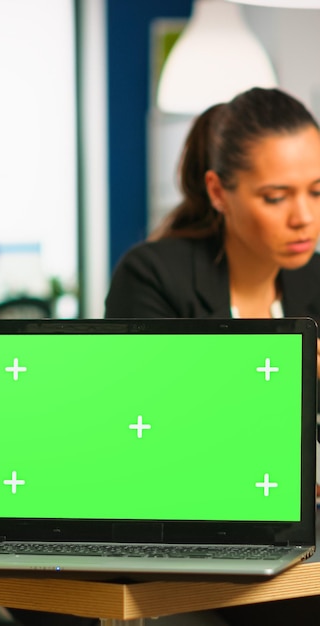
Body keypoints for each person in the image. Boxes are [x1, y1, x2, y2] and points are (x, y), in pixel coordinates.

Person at [104, 86, 320, 626]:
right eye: (276, 197)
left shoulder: (315, 280)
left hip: (297, 534)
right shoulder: (153, 274)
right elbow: (138, 434)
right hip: (190, 541)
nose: (304, 218)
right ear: (218, 192)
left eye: (317, 191)